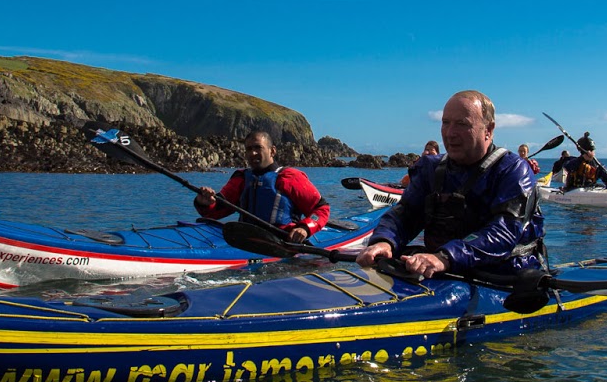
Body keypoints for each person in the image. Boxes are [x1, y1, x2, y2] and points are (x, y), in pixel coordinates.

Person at [356, 90, 543, 279]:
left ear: (489, 130)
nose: (450, 133)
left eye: (462, 124)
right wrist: (384, 242)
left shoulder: (513, 171)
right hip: (441, 270)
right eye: (446, 123)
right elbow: (406, 213)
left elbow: (504, 231)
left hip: (502, 275)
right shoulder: (431, 169)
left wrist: (445, 257)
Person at [194, 130, 330, 243]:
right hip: (245, 240)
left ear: (272, 151)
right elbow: (214, 212)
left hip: (281, 241)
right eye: (249, 149)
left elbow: (321, 209)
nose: (252, 153)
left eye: (258, 147)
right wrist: (204, 203)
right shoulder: (241, 178)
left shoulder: (290, 177)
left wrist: (305, 228)